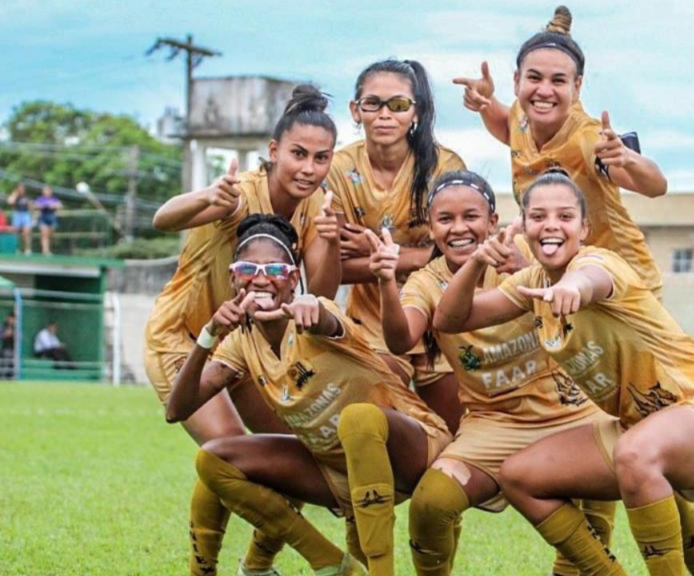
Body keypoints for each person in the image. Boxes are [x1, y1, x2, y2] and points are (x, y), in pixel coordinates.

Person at [435, 172, 694, 576]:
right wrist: (478, 259)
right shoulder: (531, 282)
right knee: (519, 476)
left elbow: (593, 279)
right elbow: (449, 318)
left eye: (565, 216)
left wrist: (574, 289)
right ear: (524, 227)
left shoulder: (599, 262)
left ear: (584, 228)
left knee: (636, 453)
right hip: (639, 429)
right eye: (538, 216)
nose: (550, 225)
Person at [166, 214, 452, 576]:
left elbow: (326, 319)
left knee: (359, 418)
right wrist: (208, 334)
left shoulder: (315, 312)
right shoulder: (239, 343)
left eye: (275, 268)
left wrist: (314, 309)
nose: (261, 278)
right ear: (232, 278)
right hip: (340, 471)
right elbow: (177, 409)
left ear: (293, 279)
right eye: (248, 267)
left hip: (409, 449)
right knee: (214, 460)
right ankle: (328, 562)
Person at [366, 170, 616, 576]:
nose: (459, 228)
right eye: (445, 219)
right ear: (431, 227)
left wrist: (535, 266)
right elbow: (400, 339)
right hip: (493, 423)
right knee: (431, 504)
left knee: (627, 481)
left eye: (471, 217)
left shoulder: (527, 253)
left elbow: (585, 274)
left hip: (569, 414)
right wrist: (384, 282)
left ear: (493, 221)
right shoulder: (426, 283)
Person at [146, 85, 342, 576]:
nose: (308, 168)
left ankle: (257, 567)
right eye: (298, 154)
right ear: (273, 151)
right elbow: (162, 218)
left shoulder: (318, 206)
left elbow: (318, 288)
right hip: (186, 340)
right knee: (232, 454)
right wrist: (207, 196)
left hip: (248, 350)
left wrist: (335, 242)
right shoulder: (240, 193)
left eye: (321, 158)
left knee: (294, 454)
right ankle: (203, 568)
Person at [454, 6, 667, 296]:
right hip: (561, 279)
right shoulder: (521, 115)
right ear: (517, 81)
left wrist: (627, 158)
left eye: (557, 81)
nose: (544, 90)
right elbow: (506, 127)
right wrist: (487, 100)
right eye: (534, 78)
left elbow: (656, 186)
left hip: (621, 284)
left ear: (576, 87)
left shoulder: (586, 138)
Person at [326, 59, 466, 434]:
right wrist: (425, 255)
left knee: (457, 437)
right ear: (356, 111)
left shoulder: (444, 168)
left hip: (442, 320)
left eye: (398, 105)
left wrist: (388, 257)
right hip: (374, 324)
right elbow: (334, 268)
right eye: (373, 104)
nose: (385, 115)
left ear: (415, 112)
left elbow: (462, 255)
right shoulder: (337, 171)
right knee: (369, 426)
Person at [34, 185, 62, 255]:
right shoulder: (40, 199)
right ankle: (45, 250)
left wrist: (53, 206)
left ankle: (49, 249)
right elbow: (35, 205)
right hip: (43, 217)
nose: (46, 192)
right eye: (44, 190)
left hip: (52, 217)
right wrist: (42, 206)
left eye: (47, 190)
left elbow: (60, 206)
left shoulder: (54, 199)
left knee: (50, 235)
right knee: (44, 234)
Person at [7, 183, 33, 254]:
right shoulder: (15, 196)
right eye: (20, 188)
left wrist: (32, 217)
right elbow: (10, 202)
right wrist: (15, 193)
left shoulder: (27, 197)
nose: (21, 190)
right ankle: (17, 248)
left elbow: (31, 207)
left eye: (23, 188)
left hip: (26, 214)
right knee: (16, 232)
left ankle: (27, 249)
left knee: (27, 232)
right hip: (17, 214)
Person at [1, 313, 15, 379]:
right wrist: (6, 334)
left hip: (14, 349)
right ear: (8, 318)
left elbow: (20, 338)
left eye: (13, 319)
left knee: (13, 362)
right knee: (7, 356)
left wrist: (14, 334)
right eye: (11, 318)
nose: (12, 320)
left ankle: (12, 378)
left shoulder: (15, 327)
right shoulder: (3, 326)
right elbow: (2, 336)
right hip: (5, 349)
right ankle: (3, 377)